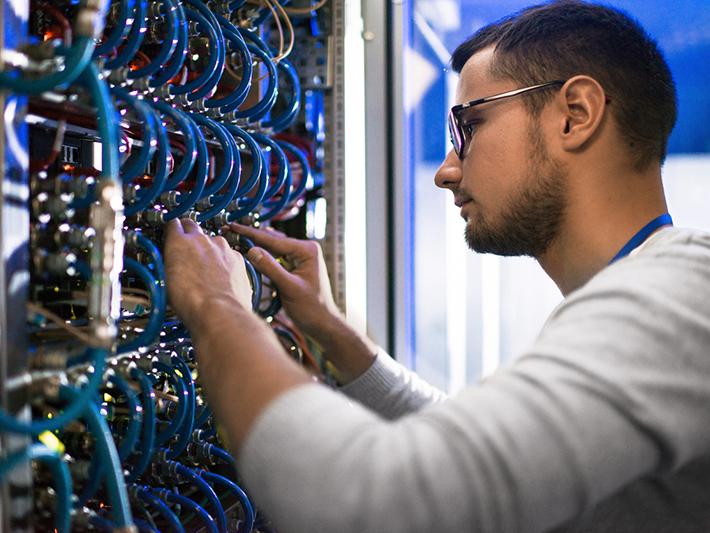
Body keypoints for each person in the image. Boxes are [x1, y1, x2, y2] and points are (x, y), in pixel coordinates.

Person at [163, 1, 710, 531]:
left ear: (576, 115)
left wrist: (216, 307)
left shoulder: (676, 295)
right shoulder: (651, 298)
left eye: (468, 127)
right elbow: (481, 465)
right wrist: (331, 329)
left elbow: (381, 499)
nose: (445, 172)